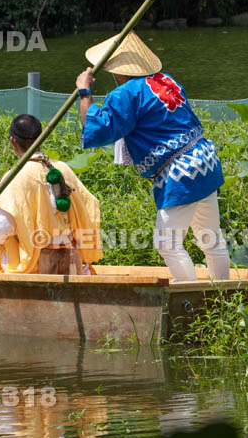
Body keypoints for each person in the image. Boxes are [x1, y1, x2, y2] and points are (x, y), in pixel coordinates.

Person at [75, 31, 230, 282]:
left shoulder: (125, 94)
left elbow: (98, 130)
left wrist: (84, 93)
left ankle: (188, 297)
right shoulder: (166, 80)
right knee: (210, 237)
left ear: (117, 70)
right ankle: (223, 292)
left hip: (182, 173)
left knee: (166, 243)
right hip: (205, 160)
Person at [0, 115, 103, 274]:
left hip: (36, 266)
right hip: (71, 261)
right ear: (41, 140)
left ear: (13, 141)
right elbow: (89, 206)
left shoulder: (16, 177)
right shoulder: (63, 169)